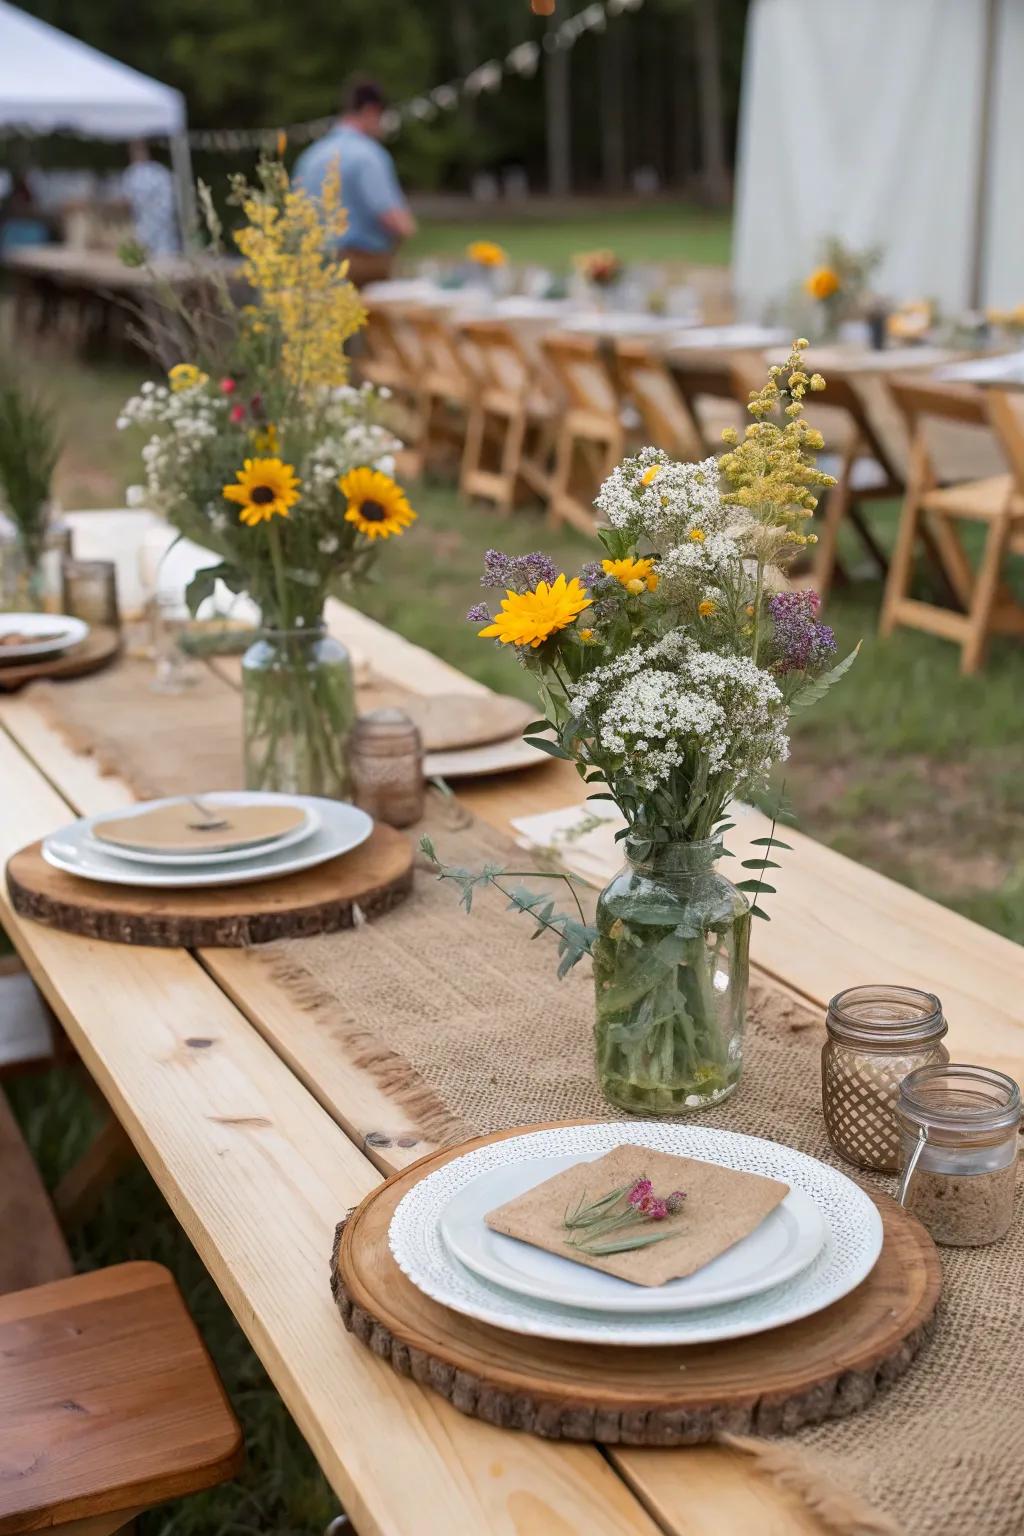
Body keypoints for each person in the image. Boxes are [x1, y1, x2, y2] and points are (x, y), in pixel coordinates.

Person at [293, 79, 416, 287]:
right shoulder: (368, 155)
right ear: (371, 111)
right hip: (357, 270)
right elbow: (394, 220)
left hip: (309, 269)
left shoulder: (310, 156)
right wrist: (407, 230)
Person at [122, 141, 181, 258]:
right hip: (149, 226)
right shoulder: (155, 171)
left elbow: (126, 201)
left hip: (158, 226)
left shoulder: (156, 171)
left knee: (161, 256)